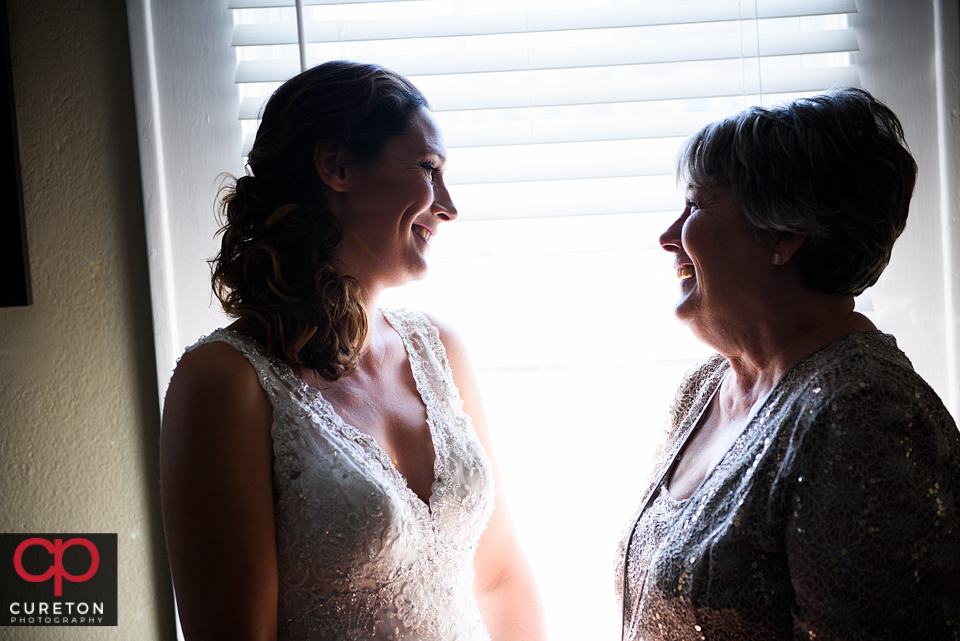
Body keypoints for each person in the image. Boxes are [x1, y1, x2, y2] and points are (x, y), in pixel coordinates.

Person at [160, 61, 545, 641]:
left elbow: (500, 578)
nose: (448, 205)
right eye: (428, 169)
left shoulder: (439, 351)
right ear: (336, 165)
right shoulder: (226, 380)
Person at [616, 88, 960, 640]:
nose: (666, 237)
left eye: (696, 206)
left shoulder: (865, 415)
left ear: (785, 233)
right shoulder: (705, 387)